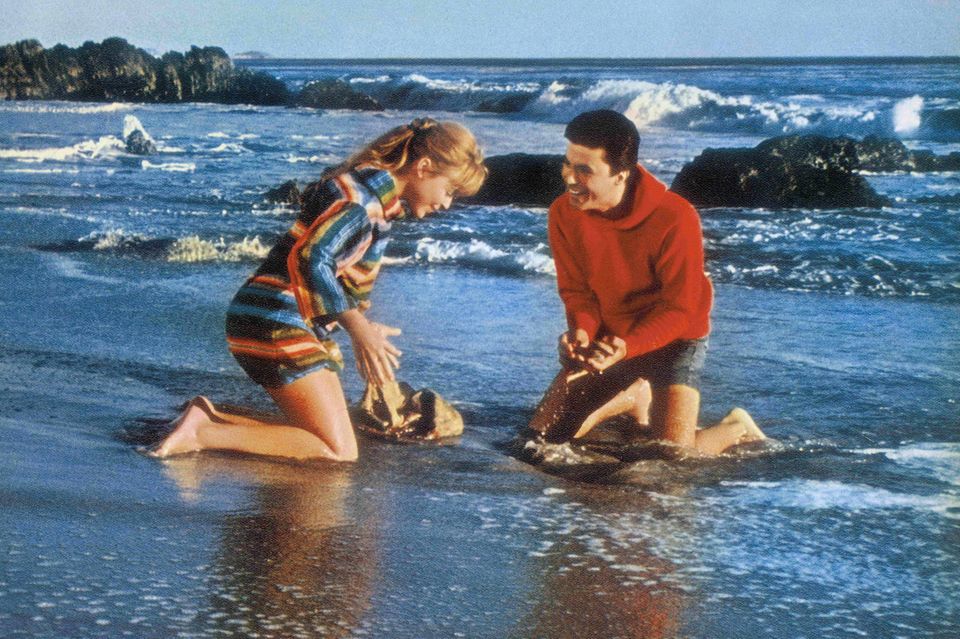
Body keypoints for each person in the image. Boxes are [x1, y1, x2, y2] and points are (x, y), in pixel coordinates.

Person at [153, 118, 486, 461]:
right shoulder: (361, 204)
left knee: (322, 434)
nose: (447, 204)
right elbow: (312, 258)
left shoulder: (365, 194)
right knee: (337, 450)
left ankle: (208, 418)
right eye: (450, 191)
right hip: (277, 322)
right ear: (424, 167)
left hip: (264, 313)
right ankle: (202, 433)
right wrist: (357, 328)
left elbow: (326, 269)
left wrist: (361, 325)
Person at [527, 110, 764, 456]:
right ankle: (635, 395)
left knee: (670, 459)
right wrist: (581, 332)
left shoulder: (675, 217)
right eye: (568, 164)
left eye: (584, 170)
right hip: (609, 338)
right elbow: (577, 292)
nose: (569, 178)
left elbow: (680, 310)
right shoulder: (563, 213)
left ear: (621, 174)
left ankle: (735, 426)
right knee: (539, 442)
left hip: (676, 338)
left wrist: (627, 347)